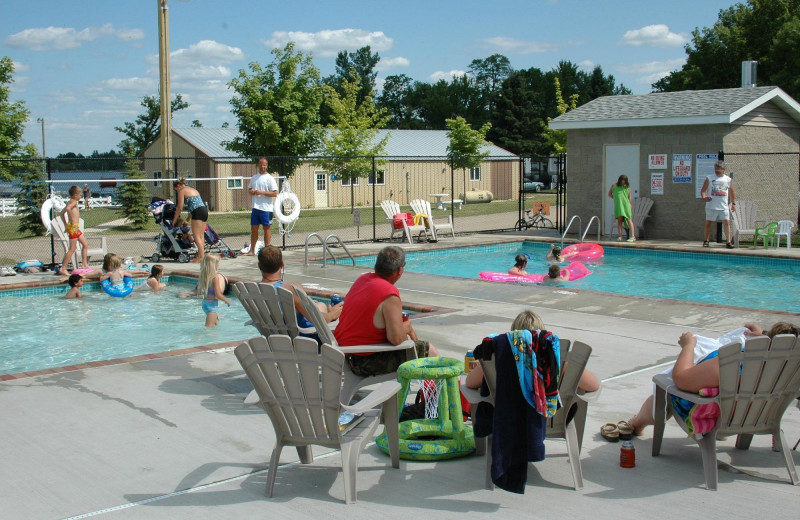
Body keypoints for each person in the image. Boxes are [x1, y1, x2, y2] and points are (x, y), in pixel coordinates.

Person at [626, 321, 800, 436]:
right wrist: (765, 334)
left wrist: (688, 346)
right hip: (755, 415)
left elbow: (681, 379)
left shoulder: (734, 364)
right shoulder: (791, 371)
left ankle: (637, 423)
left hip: (715, 418)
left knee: (666, 384)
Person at [333, 245, 439, 376]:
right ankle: (442, 393)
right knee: (429, 350)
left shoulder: (363, 279)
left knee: (414, 344)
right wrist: (406, 328)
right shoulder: (389, 294)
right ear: (399, 271)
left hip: (343, 353)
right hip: (363, 362)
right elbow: (396, 339)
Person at [464, 309, 600, 392]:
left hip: (506, 421)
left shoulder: (496, 358)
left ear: (512, 333)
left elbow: (469, 383)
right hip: (551, 420)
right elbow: (593, 385)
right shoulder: (557, 360)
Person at [256, 245, 342, 329]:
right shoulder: (290, 288)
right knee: (325, 308)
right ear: (282, 264)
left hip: (274, 335)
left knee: (320, 305)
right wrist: (332, 314)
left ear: (259, 266)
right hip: (304, 335)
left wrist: (307, 303)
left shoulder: (253, 289)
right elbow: (316, 319)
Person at [244, 157, 279, 255]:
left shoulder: (270, 178)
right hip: (255, 207)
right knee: (254, 228)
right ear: (258, 165)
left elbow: (275, 193)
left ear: (267, 166)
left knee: (266, 228)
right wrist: (252, 191)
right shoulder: (254, 177)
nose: (262, 166)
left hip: (266, 208)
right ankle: (252, 250)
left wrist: (262, 192)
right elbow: (250, 189)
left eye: (264, 164)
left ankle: (267, 250)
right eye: (261, 164)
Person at [700, 160, 735, 249]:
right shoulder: (709, 178)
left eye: (719, 169)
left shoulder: (727, 179)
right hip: (711, 206)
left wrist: (733, 203)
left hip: (723, 206)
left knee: (726, 222)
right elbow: (703, 190)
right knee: (709, 222)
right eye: (716, 169)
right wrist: (704, 197)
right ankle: (706, 240)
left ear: (723, 169)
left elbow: (731, 191)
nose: (717, 171)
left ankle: (728, 242)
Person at [56, 185, 90, 275]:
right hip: (74, 227)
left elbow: (62, 213)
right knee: (72, 249)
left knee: (85, 244)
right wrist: (71, 221)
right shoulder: (74, 201)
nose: (81, 196)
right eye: (80, 195)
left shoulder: (70, 201)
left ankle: (84, 264)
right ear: (75, 195)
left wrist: (66, 224)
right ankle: (63, 268)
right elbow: (67, 209)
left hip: (74, 227)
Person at [172, 178, 208, 262]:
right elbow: (194, 206)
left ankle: (201, 258)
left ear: (178, 186)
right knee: (201, 235)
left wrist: (174, 220)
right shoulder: (193, 189)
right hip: (204, 211)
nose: (177, 192)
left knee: (196, 236)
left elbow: (179, 207)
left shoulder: (182, 191)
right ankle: (200, 255)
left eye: (176, 190)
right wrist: (187, 220)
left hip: (197, 212)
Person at [197, 254, 230, 327]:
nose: (218, 265)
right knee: (208, 330)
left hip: (205, 304)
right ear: (214, 265)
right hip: (212, 307)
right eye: (218, 263)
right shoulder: (215, 277)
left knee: (216, 325)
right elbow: (218, 294)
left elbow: (200, 293)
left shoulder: (203, 276)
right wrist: (226, 300)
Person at [608, 174, 635, 242]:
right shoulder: (614, 186)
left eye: (624, 181)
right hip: (618, 205)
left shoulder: (627, 187)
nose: (623, 182)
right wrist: (616, 198)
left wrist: (629, 204)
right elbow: (609, 194)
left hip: (626, 205)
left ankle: (633, 236)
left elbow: (629, 197)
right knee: (619, 220)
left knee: (629, 219)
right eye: (622, 180)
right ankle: (620, 236)